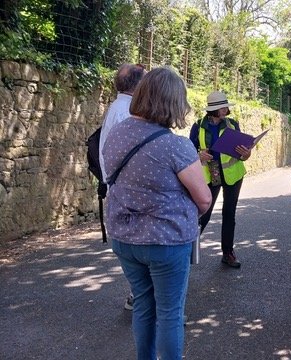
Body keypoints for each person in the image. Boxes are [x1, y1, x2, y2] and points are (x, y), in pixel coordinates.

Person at [103, 67, 212, 360]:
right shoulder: (176, 145)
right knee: (169, 313)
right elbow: (204, 199)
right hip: (166, 242)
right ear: (173, 103)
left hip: (125, 239)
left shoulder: (115, 133)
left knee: (143, 305)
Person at [98, 63, 146, 311]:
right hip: (127, 189)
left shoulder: (116, 108)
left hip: (118, 187)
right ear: (138, 85)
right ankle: (139, 295)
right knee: (137, 243)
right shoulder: (127, 110)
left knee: (132, 243)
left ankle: (138, 293)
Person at [189, 91, 251, 268]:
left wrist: (247, 153)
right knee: (204, 214)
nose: (225, 110)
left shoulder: (233, 124)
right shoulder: (197, 126)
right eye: (221, 107)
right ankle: (186, 250)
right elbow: (188, 152)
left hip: (233, 174)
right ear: (212, 110)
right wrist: (198, 155)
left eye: (226, 106)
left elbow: (242, 153)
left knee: (229, 213)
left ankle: (228, 253)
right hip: (211, 173)